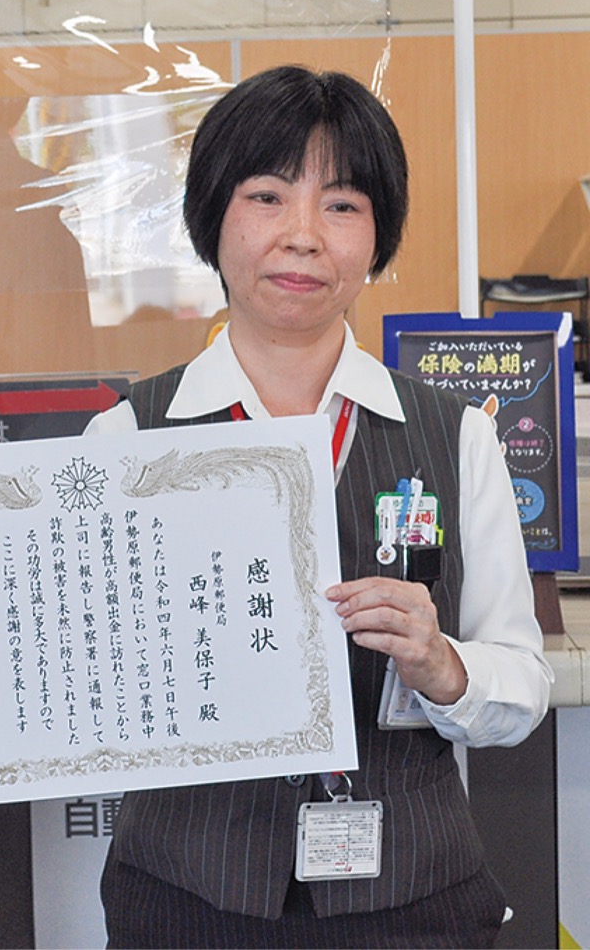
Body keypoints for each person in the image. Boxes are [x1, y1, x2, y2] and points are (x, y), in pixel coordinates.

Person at [86, 66, 552, 949]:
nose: (302, 236)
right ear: (212, 218)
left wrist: (443, 664)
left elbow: (522, 684)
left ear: (378, 237)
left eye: (341, 205)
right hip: (187, 900)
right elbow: (69, 673)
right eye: (267, 196)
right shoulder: (125, 438)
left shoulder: (455, 436)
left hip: (413, 904)